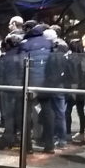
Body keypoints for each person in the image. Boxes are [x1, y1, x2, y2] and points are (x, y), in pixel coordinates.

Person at [21, 24, 59, 153]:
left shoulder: (25, 44)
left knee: (26, 113)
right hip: (46, 84)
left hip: (29, 83)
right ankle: (49, 144)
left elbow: (21, 63)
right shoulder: (49, 44)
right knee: (48, 112)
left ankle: (27, 146)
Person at [0, 33, 26, 150]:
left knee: (8, 115)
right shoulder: (24, 55)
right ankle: (19, 137)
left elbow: (0, 73)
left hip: (7, 88)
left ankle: (8, 137)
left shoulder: (6, 56)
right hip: (22, 88)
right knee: (20, 114)